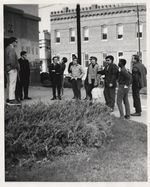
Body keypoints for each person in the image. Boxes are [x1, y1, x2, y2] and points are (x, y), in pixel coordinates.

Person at [5, 37, 21, 105]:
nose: (16, 43)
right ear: (13, 42)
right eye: (16, 42)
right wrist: (15, 67)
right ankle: (12, 99)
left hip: (7, 68)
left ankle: (8, 98)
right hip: (12, 69)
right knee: (12, 84)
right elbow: (12, 60)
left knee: (9, 84)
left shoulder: (6, 48)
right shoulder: (11, 49)